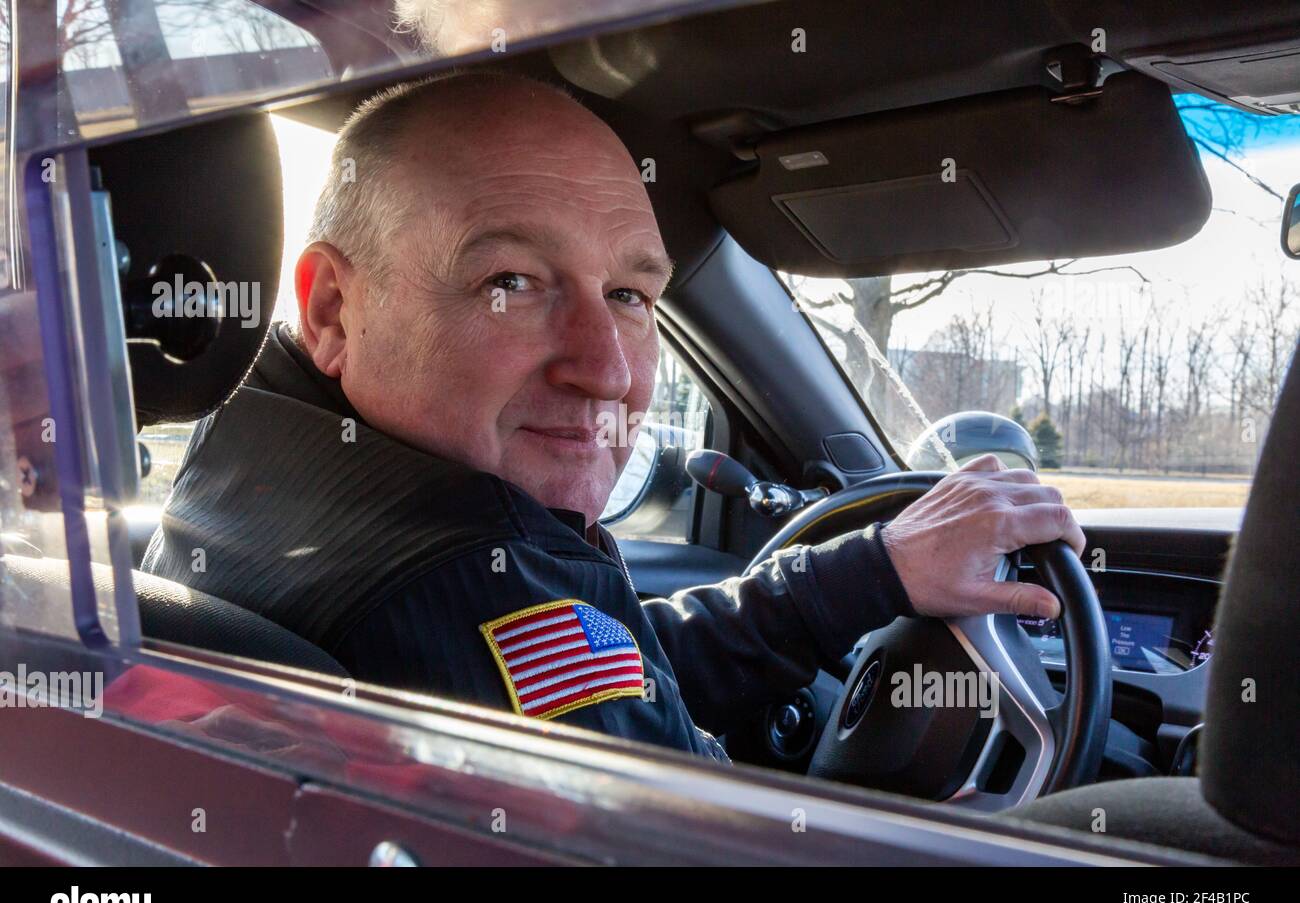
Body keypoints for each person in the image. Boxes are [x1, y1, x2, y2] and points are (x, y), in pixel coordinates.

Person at [142, 73, 1083, 759]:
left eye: (632, 295)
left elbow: (603, 667)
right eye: (509, 281)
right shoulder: (459, 572)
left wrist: (868, 570)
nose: (608, 374)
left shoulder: (262, 451)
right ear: (334, 310)